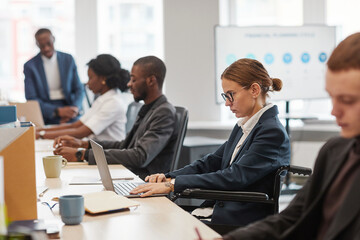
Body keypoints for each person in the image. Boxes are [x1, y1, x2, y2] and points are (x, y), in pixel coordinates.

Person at [219, 32, 360, 240]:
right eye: (331, 97)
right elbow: (291, 218)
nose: (334, 111)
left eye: (347, 100)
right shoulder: (334, 152)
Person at [131, 58, 291, 226]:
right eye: (225, 96)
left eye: (231, 95)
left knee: (157, 225)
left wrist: (173, 185)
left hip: (238, 221)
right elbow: (210, 162)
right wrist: (168, 177)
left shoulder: (271, 132)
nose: (227, 103)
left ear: (254, 90)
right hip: (217, 211)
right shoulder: (245, 126)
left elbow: (234, 177)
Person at [53, 56, 178, 179]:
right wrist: (84, 144)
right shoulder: (149, 109)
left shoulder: (164, 113)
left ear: (151, 81)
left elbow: (140, 156)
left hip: (144, 183)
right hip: (131, 176)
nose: (129, 84)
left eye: (133, 80)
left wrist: (82, 154)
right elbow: (125, 145)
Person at [36, 54, 130, 141]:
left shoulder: (113, 102)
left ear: (103, 79)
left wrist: (41, 134)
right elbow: (75, 125)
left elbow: (80, 132)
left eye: (90, 78)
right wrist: (41, 130)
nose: (88, 83)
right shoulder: (103, 99)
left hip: (109, 155)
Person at [24, 28, 84, 125]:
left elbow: (79, 89)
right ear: (37, 44)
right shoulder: (30, 66)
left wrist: (75, 108)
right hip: (46, 112)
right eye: (42, 46)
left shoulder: (68, 59)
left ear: (54, 39)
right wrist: (57, 111)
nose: (46, 48)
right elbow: (31, 98)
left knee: (76, 128)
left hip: (69, 108)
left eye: (49, 44)